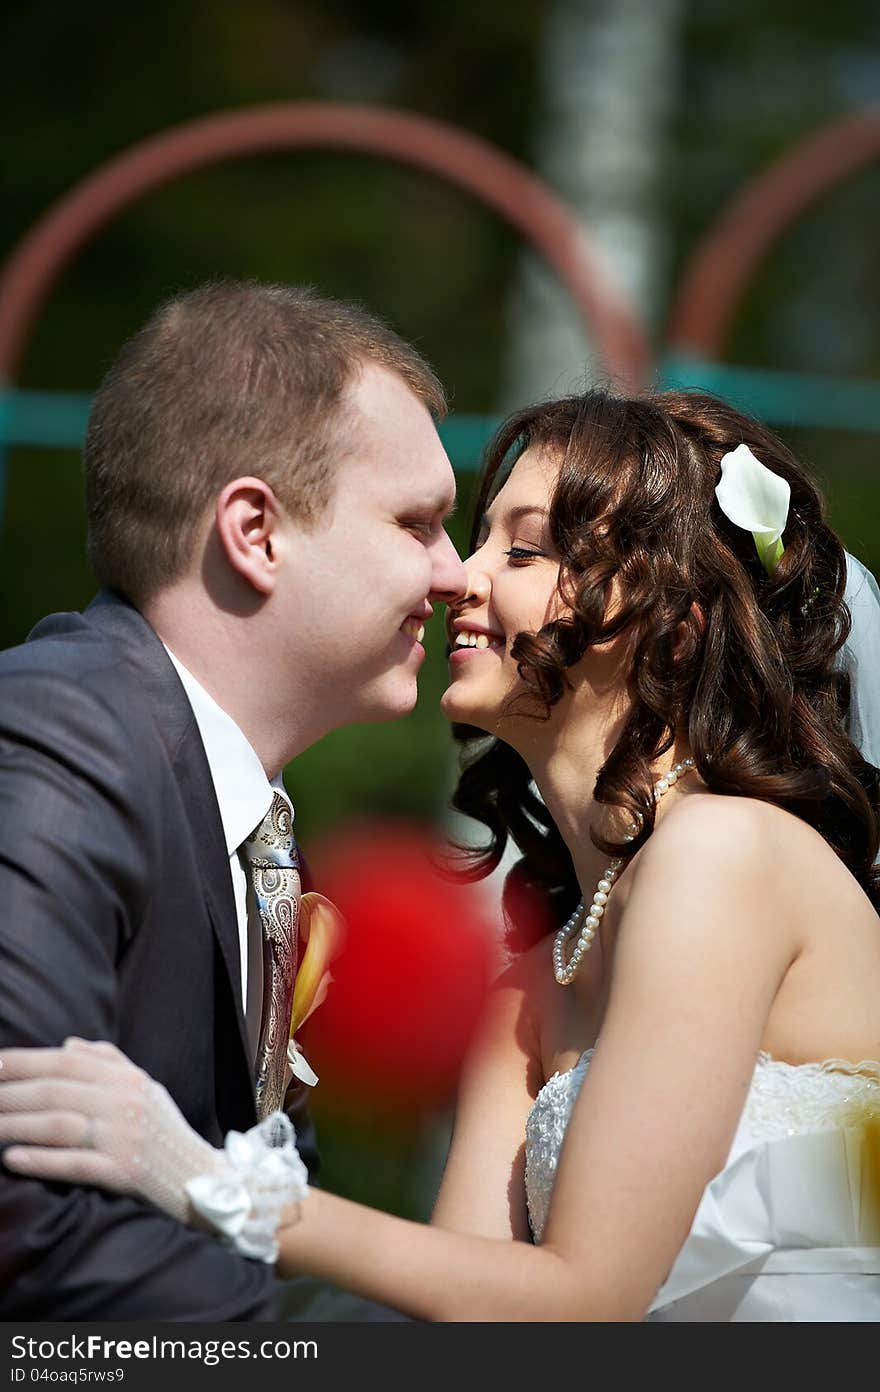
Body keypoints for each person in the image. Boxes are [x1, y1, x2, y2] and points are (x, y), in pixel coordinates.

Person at [3, 388, 880, 1321]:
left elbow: (590, 1300)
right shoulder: (533, 984)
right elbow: (473, 1322)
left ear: (670, 616)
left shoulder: (725, 854)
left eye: (525, 548)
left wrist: (208, 1179)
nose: (459, 576)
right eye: (476, 536)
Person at [0, 280, 465, 1319]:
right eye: (418, 522)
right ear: (255, 530)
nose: (456, 572)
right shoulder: (55, 742)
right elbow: (21, 1223)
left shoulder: (244, 801)